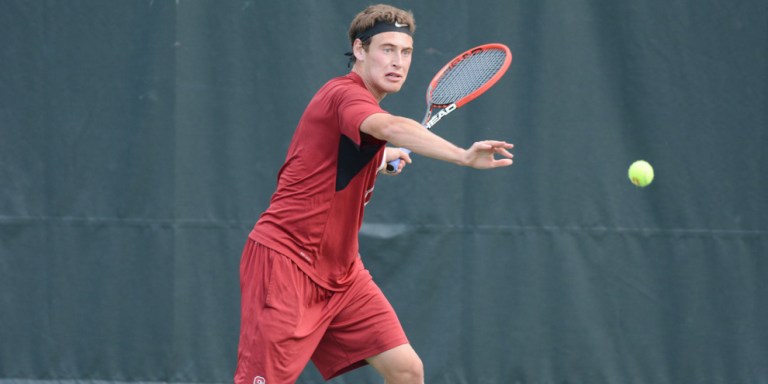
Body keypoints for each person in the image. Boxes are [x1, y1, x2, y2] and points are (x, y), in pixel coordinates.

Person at [235, 4, 514, 383]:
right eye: (386, 49)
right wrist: (462, 156)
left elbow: (342, 153)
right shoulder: (344, 95)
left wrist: (381, 157)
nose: (397, 61)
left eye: (406, 52)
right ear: (360, 50)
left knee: (406, 370)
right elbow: (390, 126)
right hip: (286, 263)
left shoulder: (358, 113)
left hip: (343, 274)